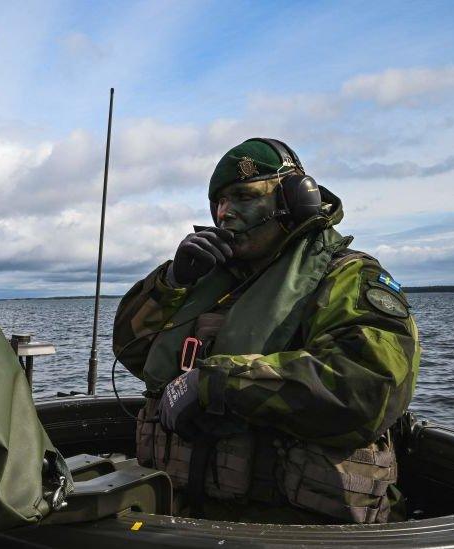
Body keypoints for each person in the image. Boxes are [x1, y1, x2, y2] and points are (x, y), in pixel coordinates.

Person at [113, 137, 420, 524]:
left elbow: (369, 387)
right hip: (186, 515)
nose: (225, 214)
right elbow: (131, 351)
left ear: (295, 200)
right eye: (219, 203)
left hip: (291, 527)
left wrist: (214, 383)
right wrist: (172, 283)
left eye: (243, 196)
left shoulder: (347, 278)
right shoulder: (208, 278)